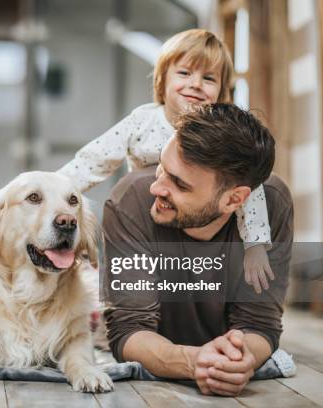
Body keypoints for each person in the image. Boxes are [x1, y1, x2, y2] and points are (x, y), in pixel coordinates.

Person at [59, 29, 274, 293]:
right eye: (184, 73)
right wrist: (55, 190)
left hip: (198, 223)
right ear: (161, 81)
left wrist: (255, 244)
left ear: (221, 91)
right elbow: (95, 158)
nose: (196, 84)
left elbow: (250, 188)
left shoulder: (221, 136)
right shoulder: (143, 121)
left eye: (208, 78)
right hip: (150, 220)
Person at [102, 103, 293, 396]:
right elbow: (128, 330)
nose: (157, 188)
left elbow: (260, 323)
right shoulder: (130, 201)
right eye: (162, 168)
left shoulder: (272, 204)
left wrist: (242, 361)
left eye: (178, 183)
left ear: (234, 200)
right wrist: (194, 362)